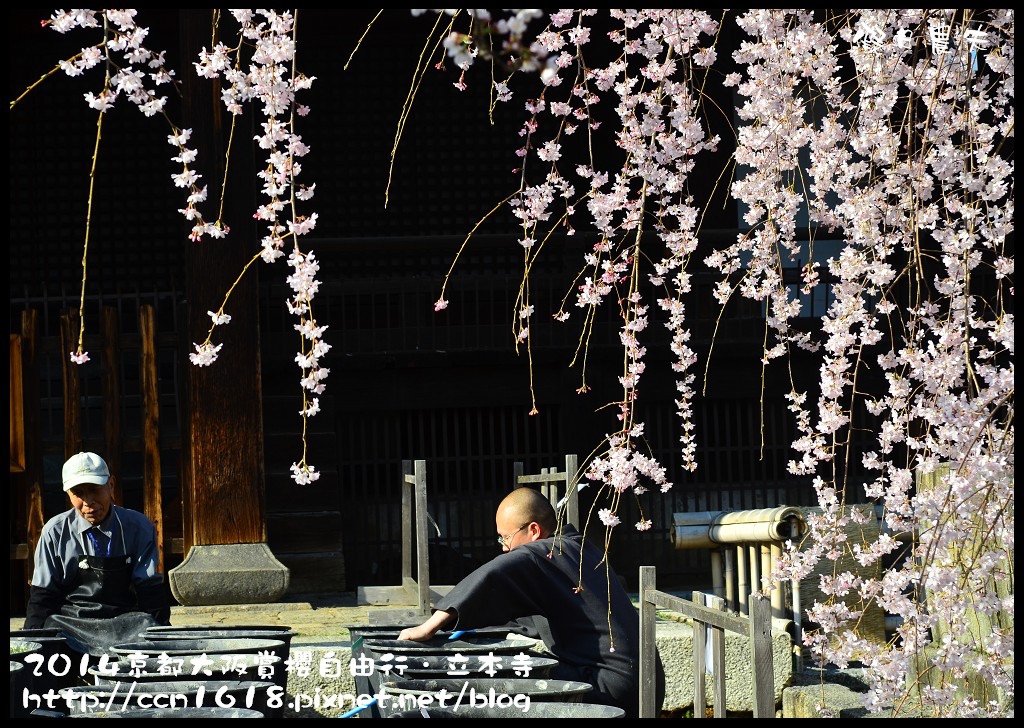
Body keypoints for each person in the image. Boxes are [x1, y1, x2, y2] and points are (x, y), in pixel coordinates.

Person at [397, 486, 665, 718]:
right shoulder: (576, 550)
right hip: (643, 684)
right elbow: (520, 615)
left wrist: (431, 625)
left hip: (612, 686)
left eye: (505, 537)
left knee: (503, 678)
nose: (503, 546)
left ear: (534, 530)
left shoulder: (550, 552)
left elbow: (503, 570)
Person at [24, 451, 171, 656]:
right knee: (50, 628)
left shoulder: (139, 527)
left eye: (94, 490)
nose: (88, 501)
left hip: (122, 622)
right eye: (78, 493)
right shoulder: (55, 531)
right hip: (73, 623)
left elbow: (150, 592)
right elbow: (42, 597)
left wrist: (164, 638)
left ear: (110, 485)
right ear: (68, 494)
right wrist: (31, 646)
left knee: (147, 625)